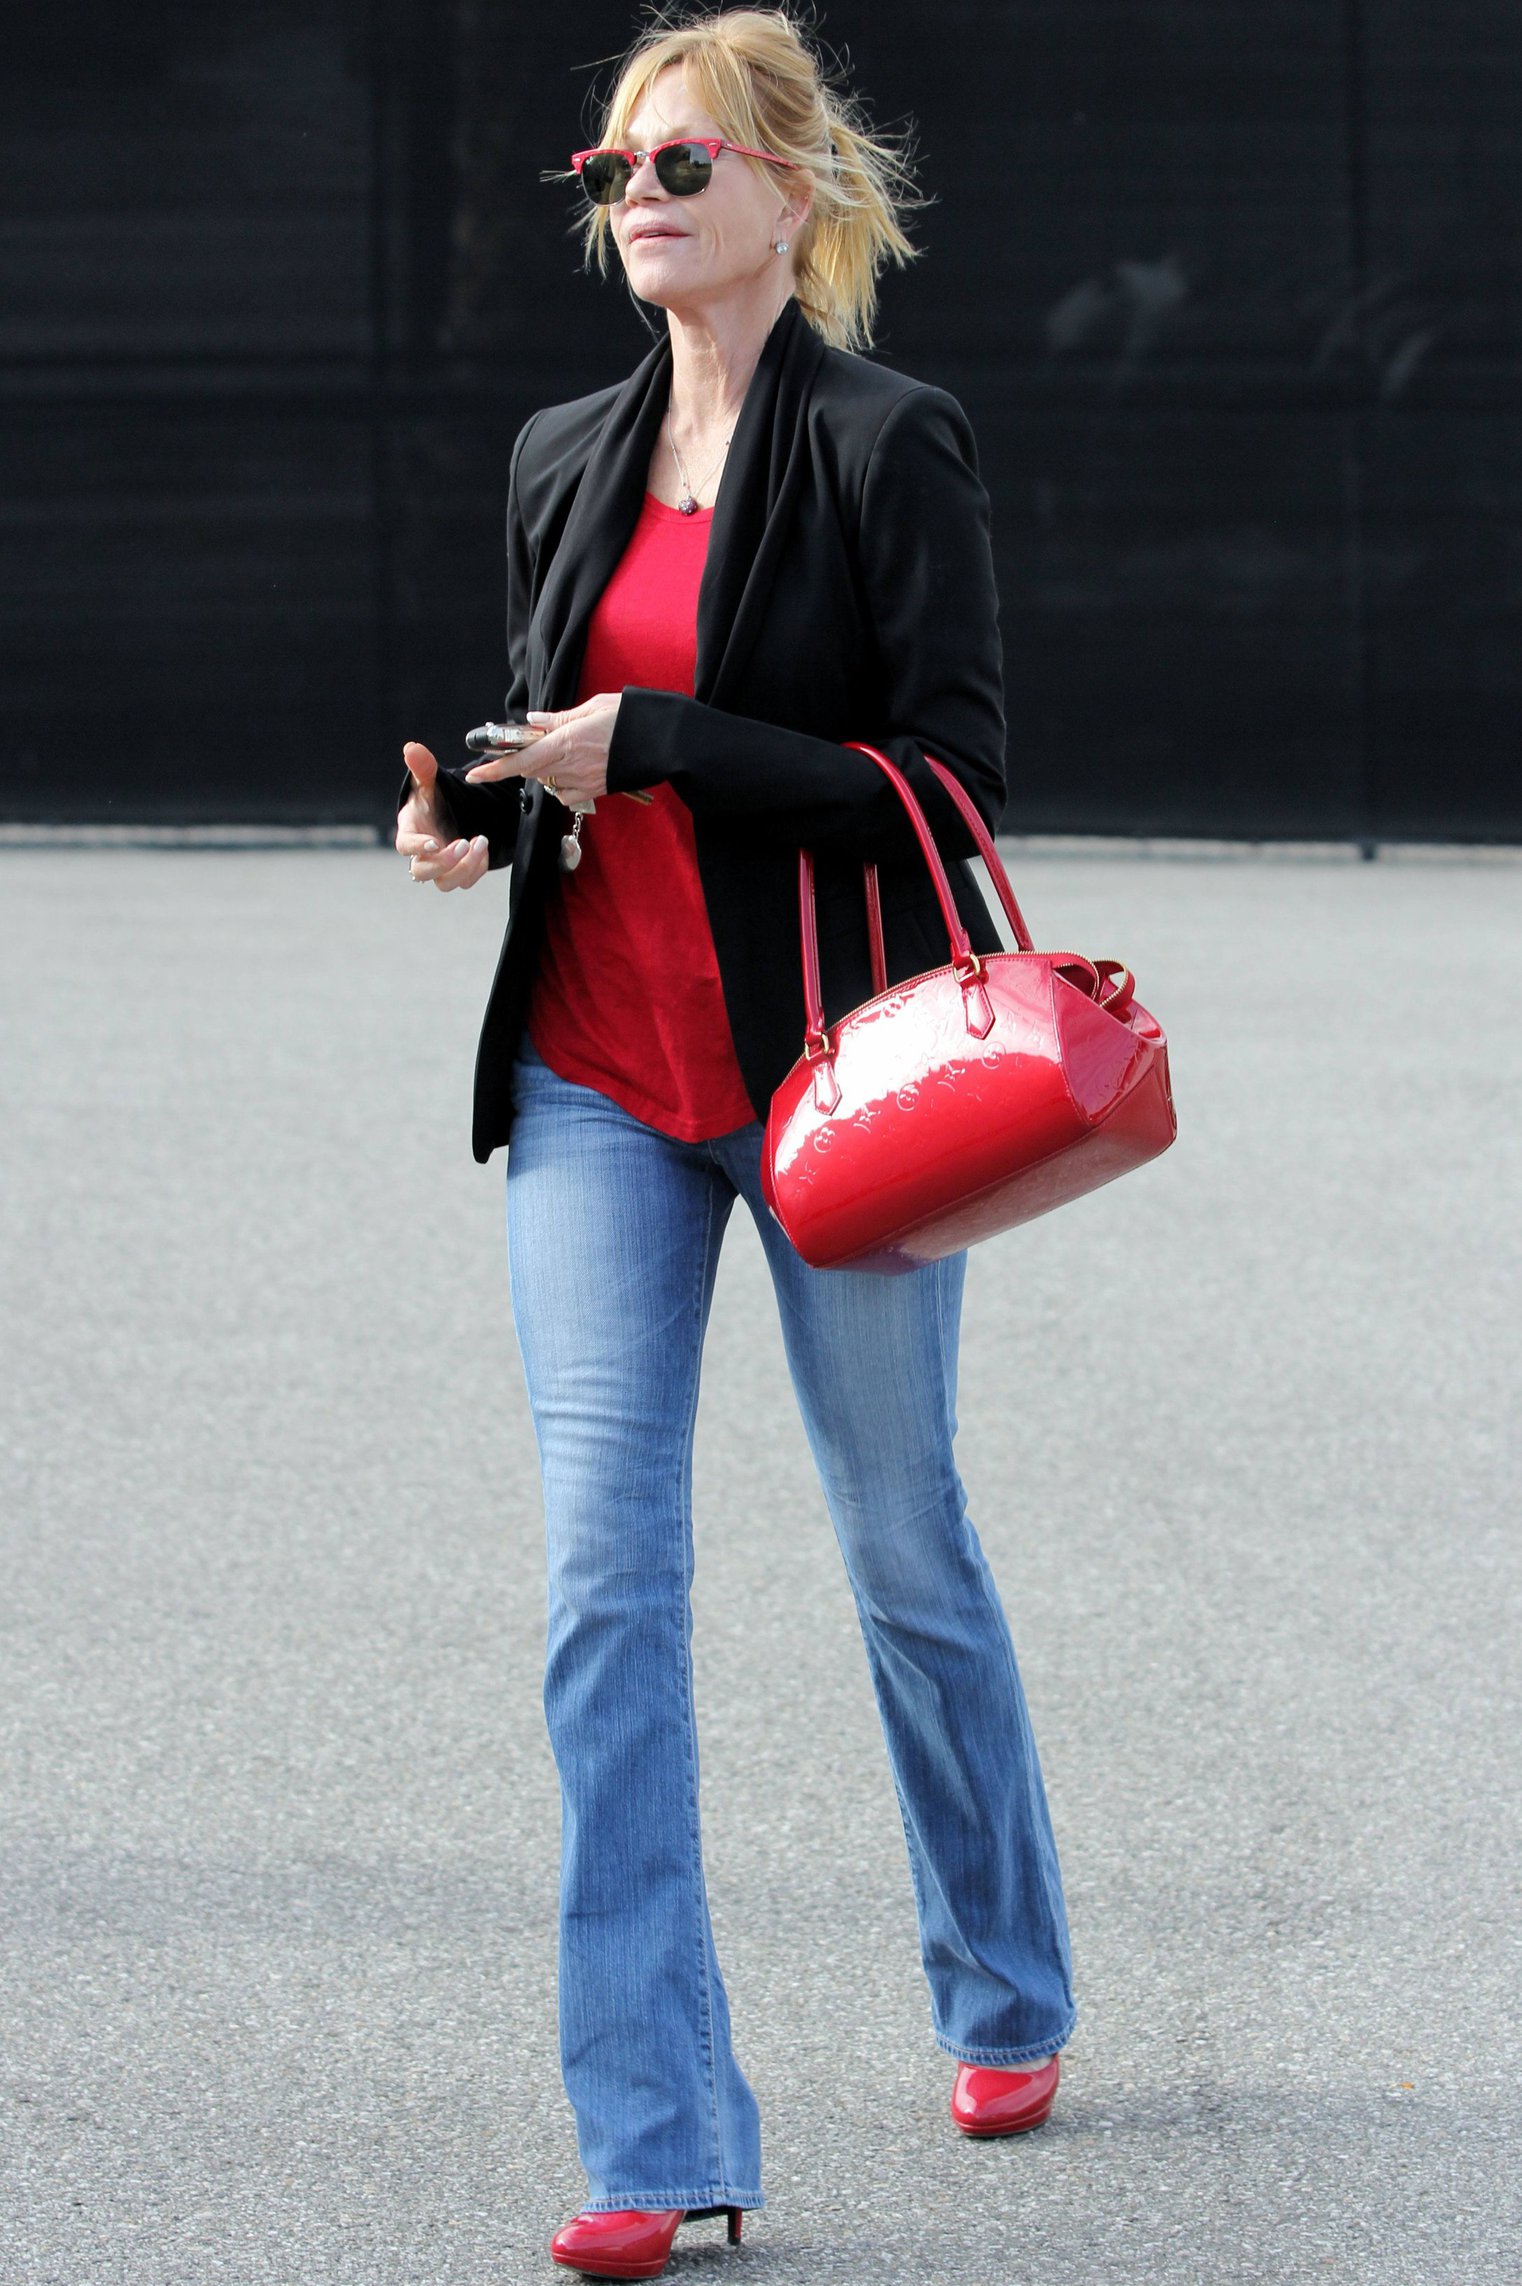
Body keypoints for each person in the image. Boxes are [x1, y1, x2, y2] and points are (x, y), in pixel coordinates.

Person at [394, 8, 1075, 2276]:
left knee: (902, 1548)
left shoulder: (891, 445)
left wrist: (663, 741)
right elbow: (558, 747)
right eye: (613, 170)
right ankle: (654, 2129)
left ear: (791, 191)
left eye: (684, 162)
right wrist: (470, 822)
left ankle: (997, 1983)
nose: (642, 197)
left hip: (835, 1083)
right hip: (599, 1079)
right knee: (604, 1586)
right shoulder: (556, 453)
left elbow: (947, 788)